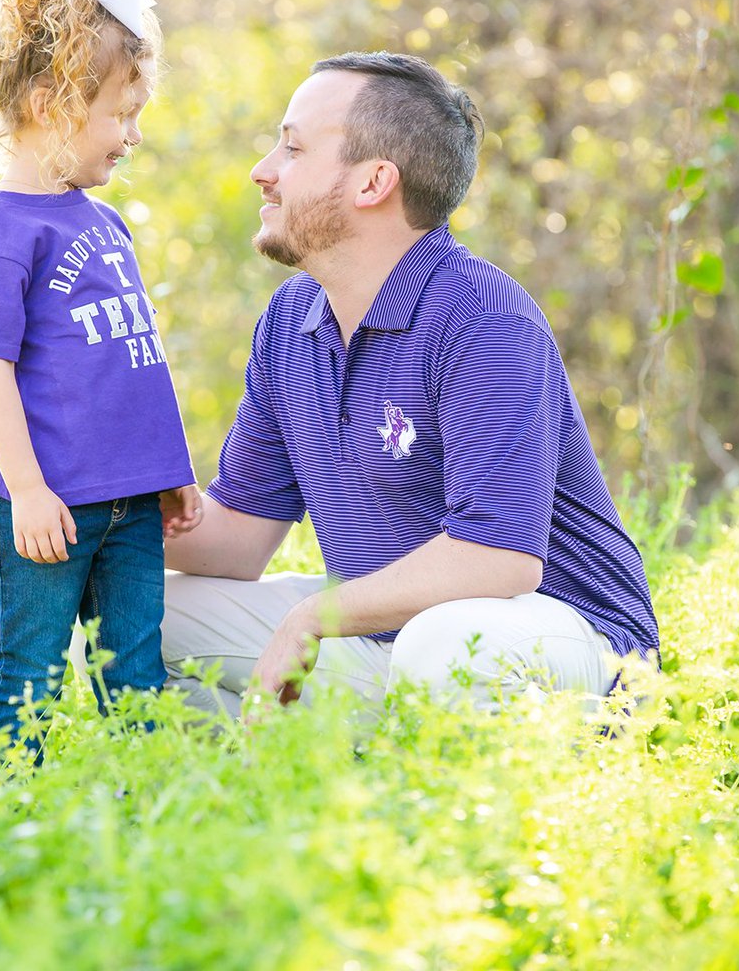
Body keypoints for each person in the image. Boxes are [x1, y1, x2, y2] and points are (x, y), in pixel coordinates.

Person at [159, 52, 659, 718]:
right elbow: (236, 539)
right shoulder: (288, 323)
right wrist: (92, 496)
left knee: (444, 645)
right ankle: (299, 799)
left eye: (293, 148)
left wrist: (315, 615)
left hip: (573, 641)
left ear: (372, 183)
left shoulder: (483, 318)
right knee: (139, 615)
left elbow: (499, 562)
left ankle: (512, 787)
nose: (264, 171)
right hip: (391, 639)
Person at [0, 0, 201, 763]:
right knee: (33, 670)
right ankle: (6, 816)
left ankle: (146, 813)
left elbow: (127, 364)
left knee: (137, 672)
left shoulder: (105, 223)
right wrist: (25, 489)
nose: (131, 136)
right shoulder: (0, 231)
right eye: (119, 115)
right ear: (54, 105)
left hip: (130, 503)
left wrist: (167, 475)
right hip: (47, 505)